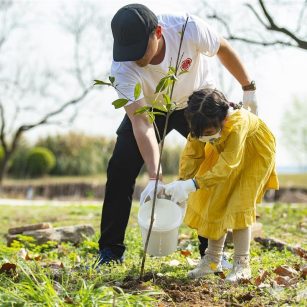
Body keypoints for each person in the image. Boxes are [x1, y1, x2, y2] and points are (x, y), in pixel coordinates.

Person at [97, 3, 258, 265]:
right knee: (119, 169)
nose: (135, 58)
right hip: (151, 109)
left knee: (213, 167)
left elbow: (223, 48)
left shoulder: (187, 28)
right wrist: (155, 176)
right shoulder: (121, 69)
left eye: (140, 49)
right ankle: (110, 251)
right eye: (128, 52)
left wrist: (248, 88)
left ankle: (212, 253)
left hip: (198, 102)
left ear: (157, 32)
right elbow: (141, 122)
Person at [164, 88, 279, 281]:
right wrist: (183, 181)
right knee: (215, 199)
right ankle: (212, 261)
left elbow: (227, 165)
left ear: (222, 120)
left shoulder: (237, 124)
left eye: (208, 132)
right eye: (199, 133)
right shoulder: (201, 126)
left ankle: (242, 265)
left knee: (239, 204)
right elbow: (192, 153)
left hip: (254, 154)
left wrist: (194, 184)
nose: (203, 136)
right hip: (226, 153)